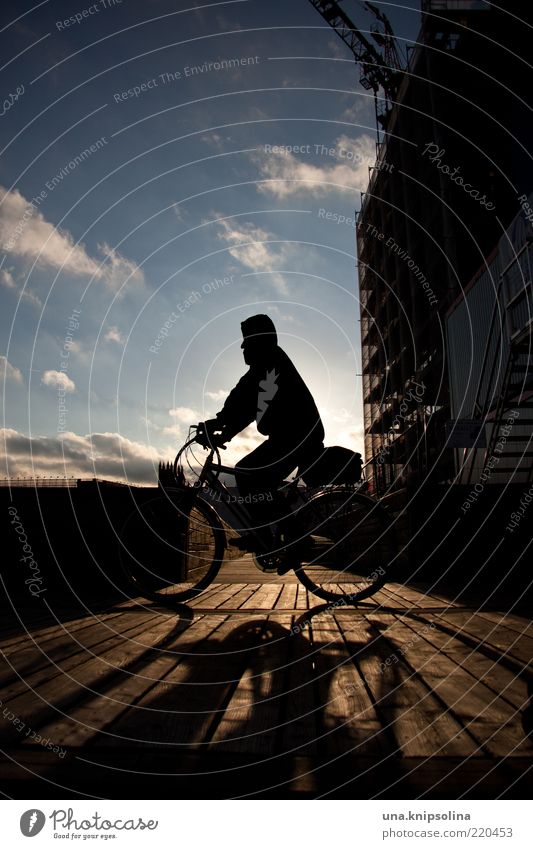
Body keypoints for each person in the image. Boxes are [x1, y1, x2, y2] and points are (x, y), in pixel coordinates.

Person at [199, 314, 324, 568]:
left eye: (247, 341)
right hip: (293, 435)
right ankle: (275, 535)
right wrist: (224, 428)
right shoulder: (266, 364)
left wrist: (221, 424)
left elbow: (246, 399)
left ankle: (286, 538)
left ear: (259, 340)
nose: (243, 348)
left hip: (298, 435)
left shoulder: (270, 363)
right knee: (255, 476)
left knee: (247, 473)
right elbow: (246, 402)